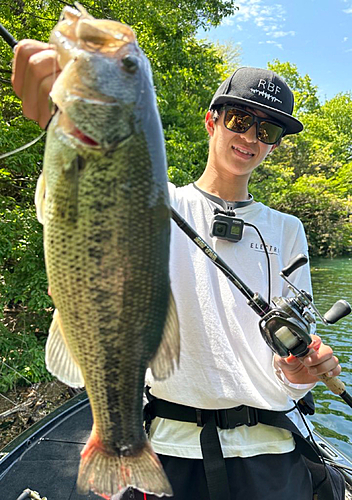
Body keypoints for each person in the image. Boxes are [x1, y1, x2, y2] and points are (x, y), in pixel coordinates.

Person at [12, 42, 341, 500]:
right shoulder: (154, 197)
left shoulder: (287, 229)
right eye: (240, 120)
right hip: (167, 445)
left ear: (275, 145)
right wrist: (58, 117)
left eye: (267, 130)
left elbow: (285, 359)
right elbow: (76, 200)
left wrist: (301, 371)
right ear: (212, 120)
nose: (251, 137)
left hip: (269, 448)